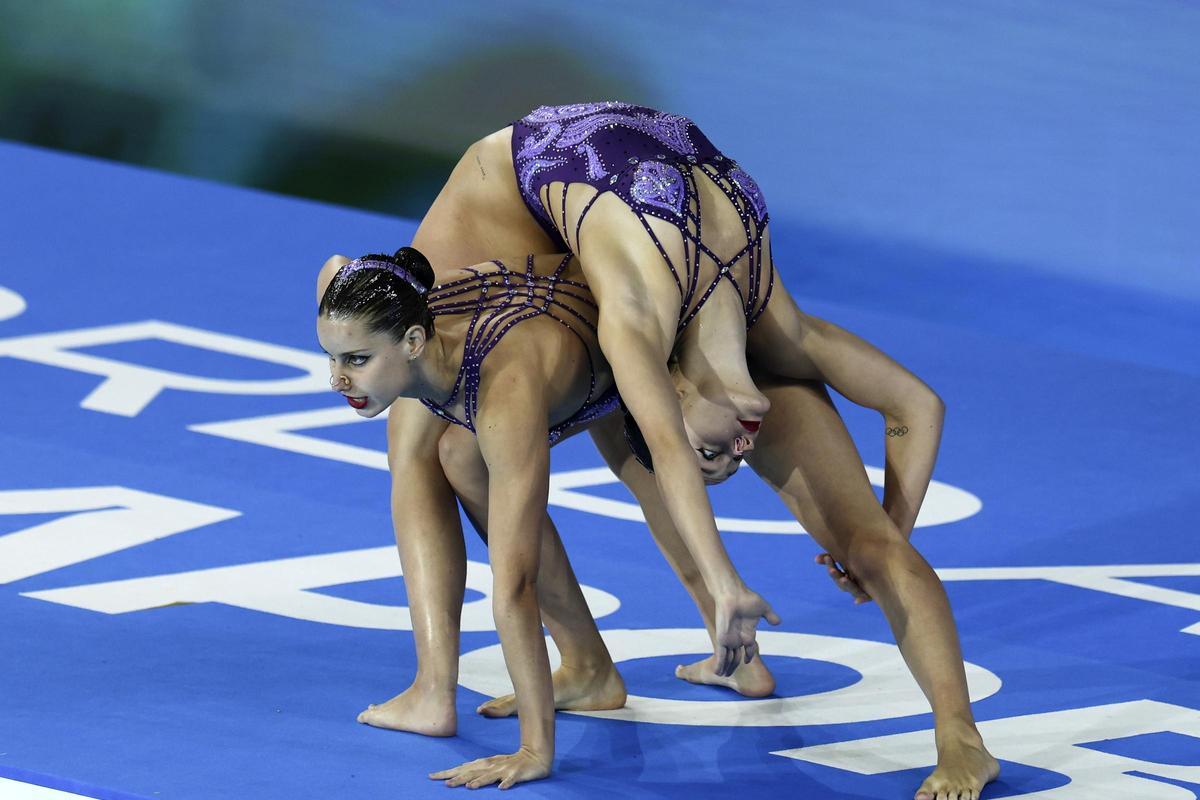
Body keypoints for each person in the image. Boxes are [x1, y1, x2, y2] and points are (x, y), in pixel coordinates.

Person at [349, 101, 998, 798]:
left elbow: (916, 408)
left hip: (643, 197)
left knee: (870, 542)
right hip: (518, 179)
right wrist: (725, 584)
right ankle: (437, 686)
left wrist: (888, 533)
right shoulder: (655, 327)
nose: (735, 453)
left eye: (720, 457)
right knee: (421, 429)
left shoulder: (763, 337)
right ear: (670, 386)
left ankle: (959, 737)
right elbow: (667, 443)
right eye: (715, 455)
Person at [316, 247, 777, 790]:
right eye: (331, 357)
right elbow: (334, 267)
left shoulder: (503, 399)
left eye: (356, 360)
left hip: (636, 324)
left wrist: (534, 749)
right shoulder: (397, 312)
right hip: (565, 317)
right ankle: (595, 670)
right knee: (461, 456)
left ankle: (720, 656)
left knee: (644, 475)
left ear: (414, 343)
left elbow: (516, 587)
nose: (337, 381)